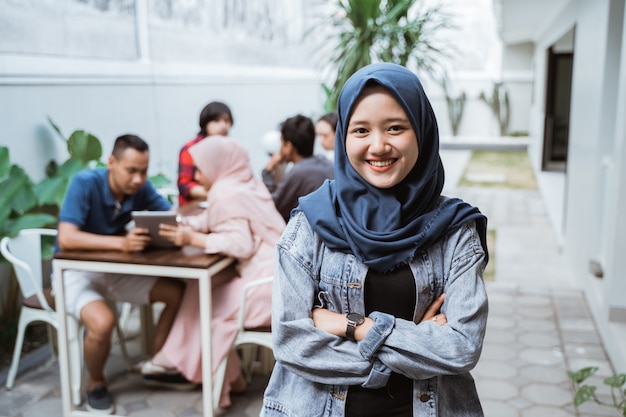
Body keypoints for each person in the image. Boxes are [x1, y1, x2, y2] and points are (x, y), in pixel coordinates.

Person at [261, 63, 489, 417]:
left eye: (396, 128)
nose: (378, 146)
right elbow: (292, 342)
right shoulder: (312, 220)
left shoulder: (455, 228)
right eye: (361, 130)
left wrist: (354, 326)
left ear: (422, 131)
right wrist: (411, 343)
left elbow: (461, 347)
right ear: (344, 137)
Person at [138, 136, 286, 409]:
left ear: (218, 165)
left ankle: (216, 387)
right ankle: (215, 373)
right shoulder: (245, 184)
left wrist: (191, 239)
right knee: (201, 290)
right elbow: (215, 219)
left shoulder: (226, 191)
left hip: (267, 287)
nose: (195, 176)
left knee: (210, 308)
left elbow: (240, 244)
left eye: (200, 168)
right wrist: (183, 225)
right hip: (279, 279)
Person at [56, 134, 185, 414]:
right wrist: (121, 243)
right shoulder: (84, 183)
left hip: (115, 270)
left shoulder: (139, 187)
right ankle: (96, 383)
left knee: (176, 292)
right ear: (111, 162)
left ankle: (156, 363)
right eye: (132, 171)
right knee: (103, 323)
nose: (139, 179)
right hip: (74, 272)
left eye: (144, 171)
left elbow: (171, 216)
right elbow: (66, 237)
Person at [262, 114, 334, 222]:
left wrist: (267, 171)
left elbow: (273, 206)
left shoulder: (299, 171)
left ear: (289, 146)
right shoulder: (326, 163)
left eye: (282, 142)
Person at [177, 101, 234, 206]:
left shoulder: (231, 149)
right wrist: (217, 194)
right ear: (205, 123)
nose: (223, 125)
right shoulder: (190, 148)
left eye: (226, 121)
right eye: (216, 121)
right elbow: (185, 186)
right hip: (193, 208)